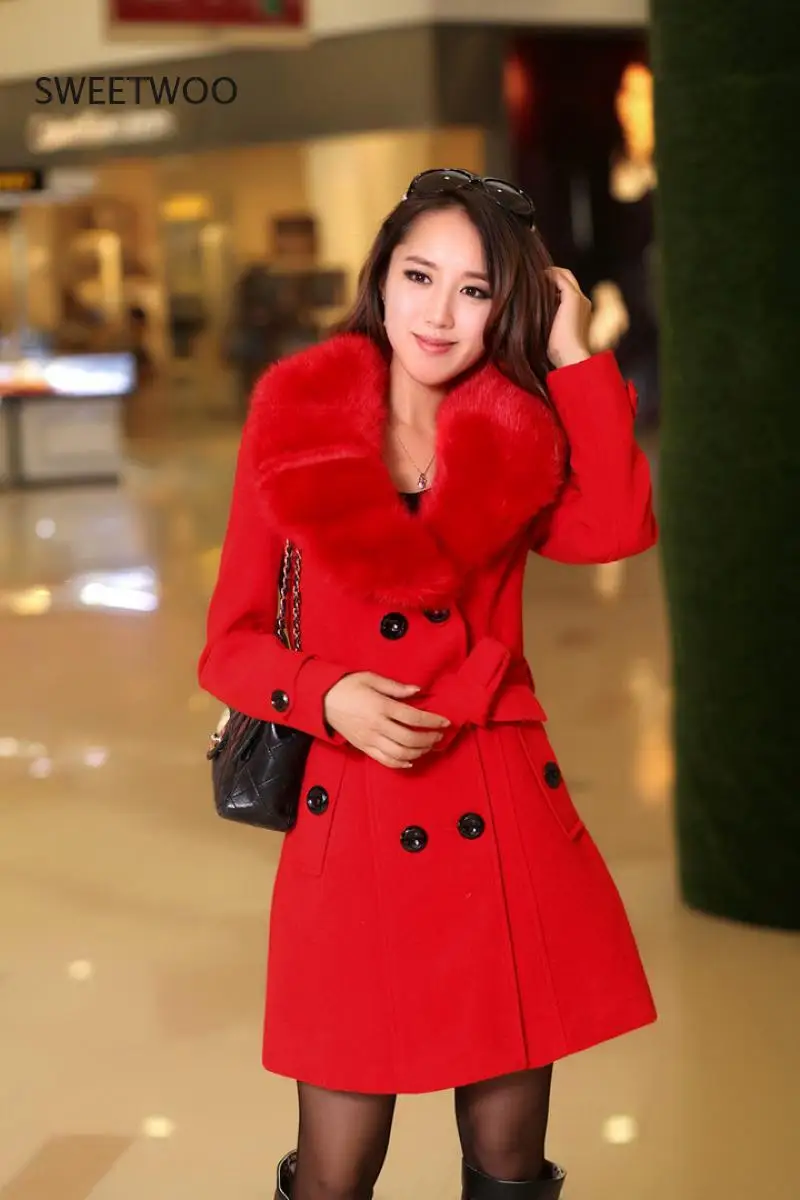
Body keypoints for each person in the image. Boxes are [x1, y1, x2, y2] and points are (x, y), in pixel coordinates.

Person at [199, 168, 658, 1200]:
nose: (439, 314)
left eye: (474, 289)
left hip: (497, 812)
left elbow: (616, 527)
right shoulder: (297, 420)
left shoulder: (515, 427)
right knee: (335, 1170)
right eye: (419, 276)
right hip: (353, 817)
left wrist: (574, 355)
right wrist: (328, 695)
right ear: (381, 278)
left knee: (506, 1162)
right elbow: (227, 645)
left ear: (509, 305)